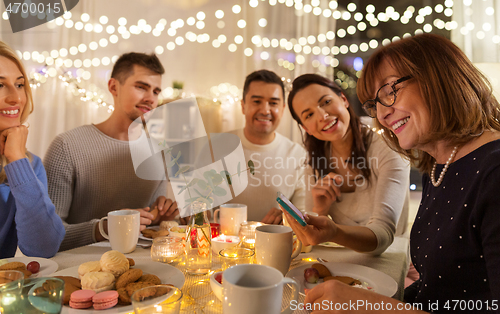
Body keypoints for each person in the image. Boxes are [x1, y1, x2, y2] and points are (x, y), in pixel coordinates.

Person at [285, 33, 500, 313]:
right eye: (375, 104)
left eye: (390, 90)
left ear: (439, 75)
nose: (382, 115)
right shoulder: (440, 167)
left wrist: (371, 305)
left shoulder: (493, 172)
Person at [44, 52, 179, 251]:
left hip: (143, 268)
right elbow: (47, 237)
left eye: (156, 92)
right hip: (78, 272)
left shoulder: (158, 151)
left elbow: (145, 229)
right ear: (113, 87)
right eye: (141, 87)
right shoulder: (66, 146)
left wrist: (161, 219)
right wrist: (104, 228)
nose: (151, 99)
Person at [287, 74, 409, 255]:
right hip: (338, 260)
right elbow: (313, 237)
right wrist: (320, 210)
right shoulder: (315, 160)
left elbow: (383, 236)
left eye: (326, 102)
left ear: (343, 99)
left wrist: (334, 232)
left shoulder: (386, 143)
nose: (323, 116)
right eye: (309, 114)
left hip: (391, 258)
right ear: (306, 128)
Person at [0, 40, 65, 258]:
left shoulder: (28, 165)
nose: (16, 98)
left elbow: (43, 247)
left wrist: (17, 161)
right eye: (0, 85)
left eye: (19, 85)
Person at [228, 70, 307, 224]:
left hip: (277, 243)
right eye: (257, 101)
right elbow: (196, 210)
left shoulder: (297, 154)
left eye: (273, 103)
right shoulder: (215, 148)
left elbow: (304, 213)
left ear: (283, 108)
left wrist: (285, 221)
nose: (265, 110)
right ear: (243, 106)